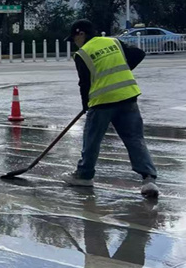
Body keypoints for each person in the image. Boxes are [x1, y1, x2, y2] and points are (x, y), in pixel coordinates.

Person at [65, 19, 158, 199]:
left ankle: (84, 175)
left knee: (92, 139)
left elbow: (84, 84)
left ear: (81, 34)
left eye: (74, 38)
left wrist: (86, 105)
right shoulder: (113, 42)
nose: (74, 42)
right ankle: (148, 179)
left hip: (102, 101)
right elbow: (138, 54)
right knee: (135, 139)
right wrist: (123, 69)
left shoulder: (82, 53)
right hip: (128, 96)